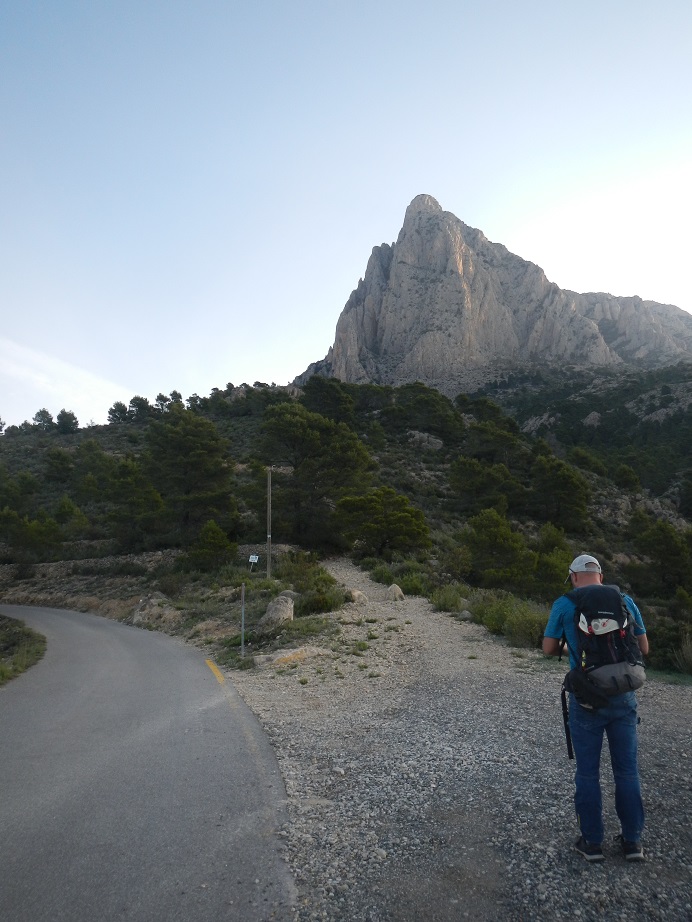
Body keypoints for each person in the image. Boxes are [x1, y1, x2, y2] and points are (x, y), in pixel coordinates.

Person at [543, 554, 649, 863]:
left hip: (587, 698)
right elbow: (643, 648)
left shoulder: (565, 603)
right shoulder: (625, 600)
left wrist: (570, 646)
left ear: (574, 577)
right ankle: (632, 842)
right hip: (624, 695)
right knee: (626, 771)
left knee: (588, 773)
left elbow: (548, 649)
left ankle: (591, 843)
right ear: (600, 576)